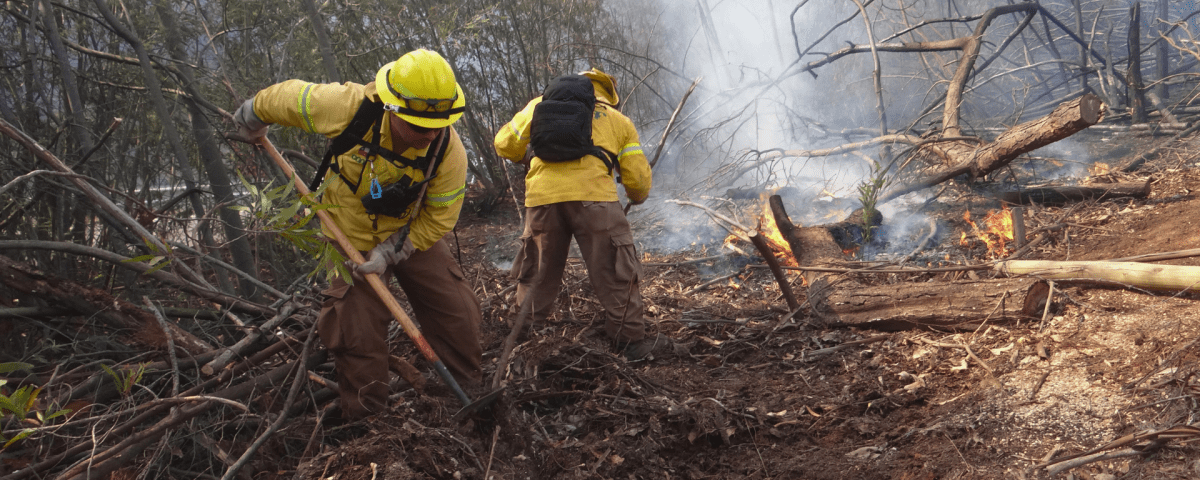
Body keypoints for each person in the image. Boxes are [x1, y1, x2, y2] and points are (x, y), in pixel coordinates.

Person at [233, 49, 483, 420]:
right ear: (392, 108)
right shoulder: (347, 108)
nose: (431, 134)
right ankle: (368, 421)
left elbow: (441, 217)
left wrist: (395, 250)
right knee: (356, 332)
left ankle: (466, 399)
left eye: (439, 124)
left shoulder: (448, 151)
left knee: (458, 313)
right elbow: (289, 98)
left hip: (411, 234)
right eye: (419, 126)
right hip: (349, 236)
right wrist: (253, 112)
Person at [493, 68, 666, 360]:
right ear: (609, 95)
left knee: (537, 273)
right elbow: (638, 181)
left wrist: (528, 157)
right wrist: (635, 197)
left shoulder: (537, 107)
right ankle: (631, 343)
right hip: (596, 201)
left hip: (542, 200)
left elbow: (503, 144)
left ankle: (521, 339)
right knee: (616, 271)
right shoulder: (617, 120)